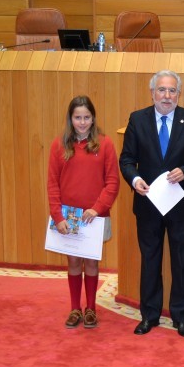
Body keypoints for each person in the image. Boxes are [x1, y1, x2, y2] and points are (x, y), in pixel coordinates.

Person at [119, 70, 184, 338]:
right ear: (152, 93)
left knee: (183, 261)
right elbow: (126, 160)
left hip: (179, 204)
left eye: (172, 91)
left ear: (179, 94)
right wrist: (134, 179)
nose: (167, 96)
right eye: (162, 90)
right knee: (150, 260)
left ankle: (181, 317)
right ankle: (149, 315)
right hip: (147, 203)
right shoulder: (137, 120)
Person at [47, 95, 120, 329]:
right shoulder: (59, 145)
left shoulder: (105, 144)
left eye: (86, 117)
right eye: (77, 117)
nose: (82, 122)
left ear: (93, 118)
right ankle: (74, 309)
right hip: (68, 218)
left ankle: (91, 309)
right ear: (70, 119)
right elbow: (52, 184)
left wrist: (97, 208)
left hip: (95, 217)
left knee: (91, 263)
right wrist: (58, 217)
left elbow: (112, 183)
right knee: (74, 262)